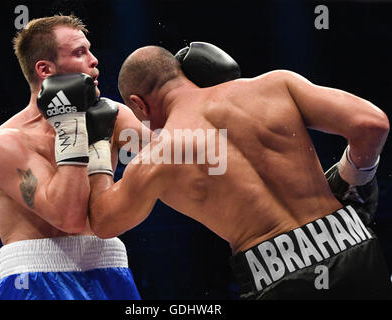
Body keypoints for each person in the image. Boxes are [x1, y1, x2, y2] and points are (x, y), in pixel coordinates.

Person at [88, 45, 392, 299]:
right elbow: (371, 124)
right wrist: (353, 178)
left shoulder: (157, 158)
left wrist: (99, 143)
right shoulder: (275, 84)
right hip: (353, 245)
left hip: (276, 276)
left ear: (138, 105)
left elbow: (103, 223)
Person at [0, 15, 148, 300]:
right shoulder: (5, 144)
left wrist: (187, 96)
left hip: (112, 272)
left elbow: (178, 160)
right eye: (79, 53)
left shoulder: (114, 117)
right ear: (45, 69)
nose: (94, 60)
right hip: (35, 282)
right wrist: (73, 128)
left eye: (90, 50)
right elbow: (68, 217)